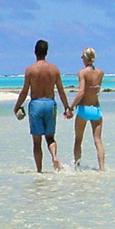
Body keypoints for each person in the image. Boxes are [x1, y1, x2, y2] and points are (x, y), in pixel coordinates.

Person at [14, 39, 72, 172]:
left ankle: (39, 170)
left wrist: (17, 106)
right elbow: (61, 91)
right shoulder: (54, 70)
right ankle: (54, 156)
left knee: (36, 142)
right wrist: (67, 107)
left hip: (36, 104)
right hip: (50, 104)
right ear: (47, 52)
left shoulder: (30, 70)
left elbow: (24, 91)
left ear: (35, 52)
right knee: (50, 137)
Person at [70, 47, 105, 171]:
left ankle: (77, 166)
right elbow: (96, 91)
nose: (81, 59)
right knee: (98, 140)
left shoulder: (82, 72)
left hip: (84, 109)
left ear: (85, 58)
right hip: (96, 109)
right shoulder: (100, 73)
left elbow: (81, 92)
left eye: (82, 57)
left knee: (78, 139)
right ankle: (102, 168)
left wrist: (71, 107)